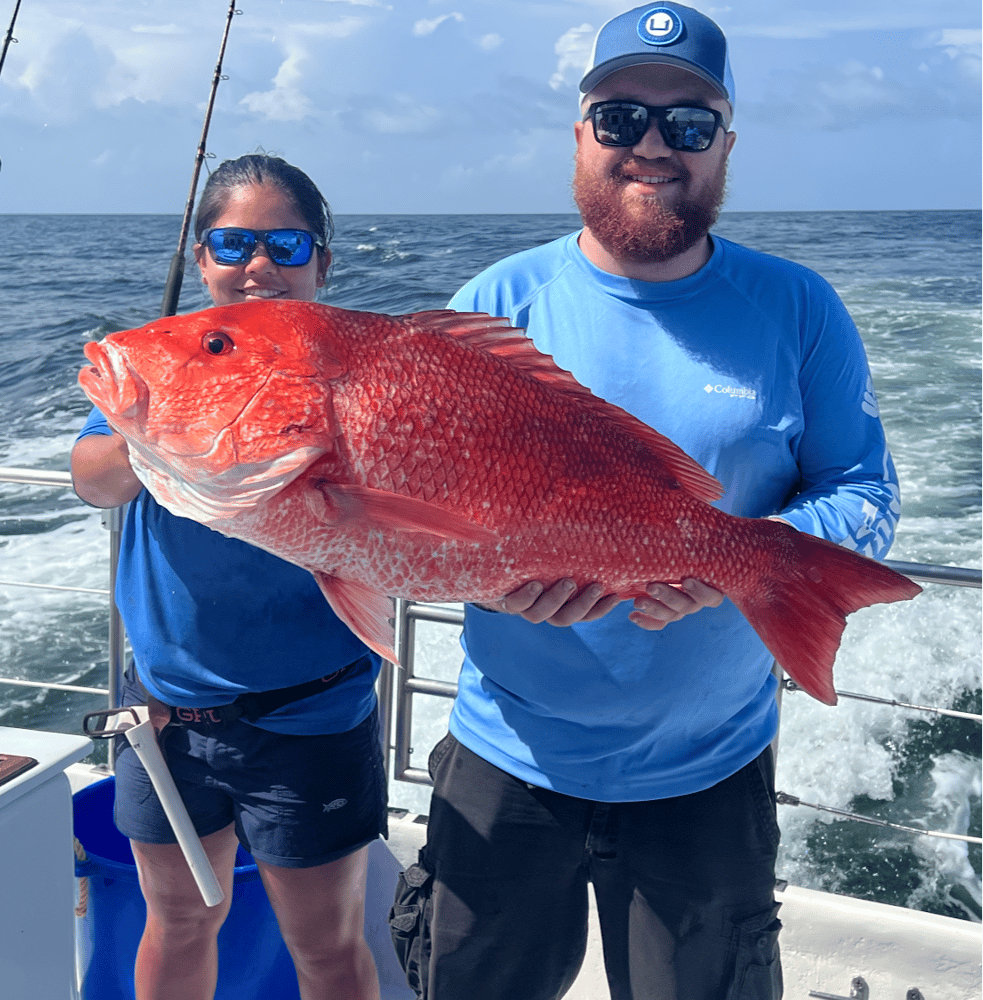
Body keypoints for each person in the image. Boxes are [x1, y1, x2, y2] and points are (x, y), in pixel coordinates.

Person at [389, 5, 902, 999]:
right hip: (508, 754)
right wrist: (488, 585)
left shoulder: (799, 308)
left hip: (708, 773)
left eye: (689, 123)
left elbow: (863, 491)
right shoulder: (494, 302)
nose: (653, 146)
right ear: (580, 137)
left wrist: (742, 564)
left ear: (725, 147)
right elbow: (423, 511)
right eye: (620, 118)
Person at [72, 154, 384, 1000]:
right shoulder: (168, 360)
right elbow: (92, 478)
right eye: (232, 242)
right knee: (174, 921)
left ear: (322, 262)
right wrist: (169, 417)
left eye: (285, 242)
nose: (258, 264)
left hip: (311, 714)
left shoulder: (362, 374)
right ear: (202, 258)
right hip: (165, 719)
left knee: (325, 946)